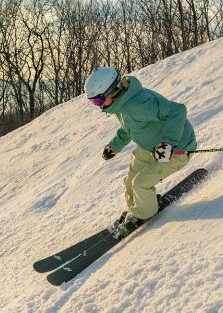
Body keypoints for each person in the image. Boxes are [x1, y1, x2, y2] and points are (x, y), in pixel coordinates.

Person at [84, 66, 197, 235]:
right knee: (130, 182)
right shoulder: (122, 104)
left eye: (98, 101)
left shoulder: (140, 104)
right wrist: (115, 145)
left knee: (140, 184)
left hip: (176, 150)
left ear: (112, 91)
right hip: (150, 147)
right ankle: (136, 210)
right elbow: (130, 128)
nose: (98, 107)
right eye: (93, 102)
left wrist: (168, 144)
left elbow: (178, 111)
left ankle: (144, 213)